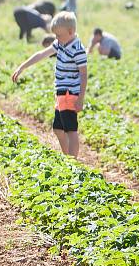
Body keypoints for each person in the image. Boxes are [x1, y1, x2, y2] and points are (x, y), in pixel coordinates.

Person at [12, 12, 88, 157]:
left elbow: (83, 75)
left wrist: (80, 98)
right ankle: (67, 158)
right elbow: (42, 54)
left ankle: (72, 162)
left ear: (71, 31)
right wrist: (23, 66)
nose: (56, 38)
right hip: (60, 92)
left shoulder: (78, 50)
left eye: (59, 35)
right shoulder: (61, 43)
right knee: (58, 128)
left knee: (70, 130)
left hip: (69, 92)